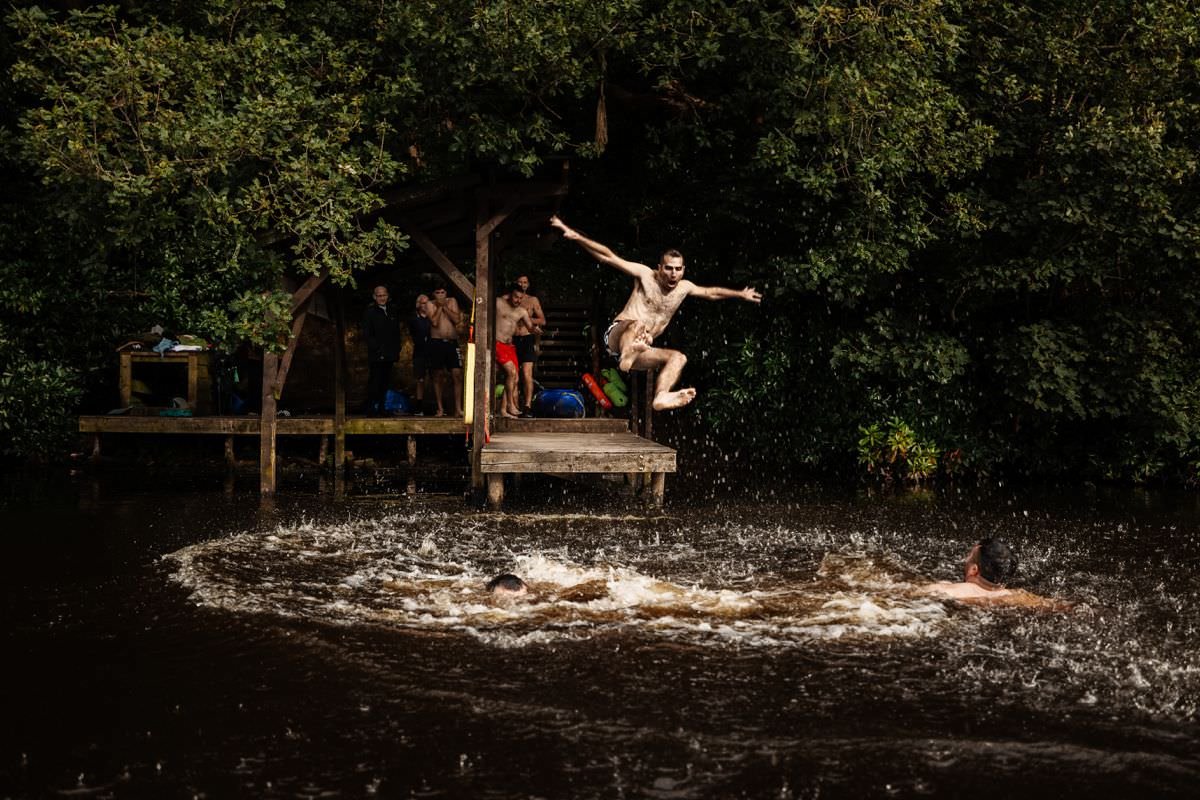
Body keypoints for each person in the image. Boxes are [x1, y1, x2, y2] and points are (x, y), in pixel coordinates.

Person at [550, 215, 761, 411]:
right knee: (638, 325)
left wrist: (740, 294)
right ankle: (627, 355)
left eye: (678, 269)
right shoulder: (645, 275)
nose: (673, 274)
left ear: (683, 270)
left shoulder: (684, 288)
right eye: (668, 268)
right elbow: (608, 257)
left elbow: (710, 293)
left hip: (642, 347)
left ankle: (661, 396)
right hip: (618, 336)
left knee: (679, 358)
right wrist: (577, 237)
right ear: (659, 268)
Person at [921, 538, 1071, 610]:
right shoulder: (1017, 596)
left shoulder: (946, 589)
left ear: (974, 570)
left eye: (968, 557)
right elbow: (1060, 606)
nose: (964, 560)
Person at [495, 283, 540, 419]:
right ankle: (510, 405)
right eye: (516, 297)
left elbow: (530, 327)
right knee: (512, 372)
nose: (518, 300)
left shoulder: (521, 311)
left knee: (515, 378)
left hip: (510, 346)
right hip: (498, 343)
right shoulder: (498, 303)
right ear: (510, 295)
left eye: (520, 298)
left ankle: (503, 410)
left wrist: (535, 329)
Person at [362, 284, 401, 416]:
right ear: (374, 297)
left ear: (387, 295)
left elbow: (396, 332)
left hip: (390, 354)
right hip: (377, 354)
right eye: (379, 296)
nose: (382, 298)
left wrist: (396, 350)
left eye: (384, 295)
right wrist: (377, 349)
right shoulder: (370, 312)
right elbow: (367, 334)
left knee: (386, 381)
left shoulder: (392, 310)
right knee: (375, 381)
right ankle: (371, 408)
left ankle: (382, 408)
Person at [426, 283, 464, 417]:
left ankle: (458, 409)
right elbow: (435, 322)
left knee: (457, 374)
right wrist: (439, 307)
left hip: (452, 343)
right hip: (436, 343)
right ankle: (440, 408)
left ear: (446, 293)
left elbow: (457, 319)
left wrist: (444, 306)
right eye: (438, 293)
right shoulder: (429, 304)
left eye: (443, 292)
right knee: (438, 375)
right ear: (433, 294)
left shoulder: (452, 301)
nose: (441, 295)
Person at [512, 274, 546, 415]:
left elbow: (542, 321)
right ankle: (513, 406)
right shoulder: (510, 299)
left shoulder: (532, 300)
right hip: (512, 339)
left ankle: (527, 405)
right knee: (513, 375)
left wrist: (526, 317)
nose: (522, 284)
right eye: (520, 282)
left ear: (528, 284)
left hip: (527, 338)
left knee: (527, 374)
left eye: (525, 282)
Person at [407, 294, 432, 416]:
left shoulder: (433, 317)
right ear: (418, 304)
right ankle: (419, 406)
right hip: (420, 351)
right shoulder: (414, 319)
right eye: (423, 303)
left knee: (436, 378)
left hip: (433, 351)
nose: (425, 305)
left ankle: (436, 406)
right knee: (420, 379)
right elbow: (418, 334)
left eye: (427, 302)